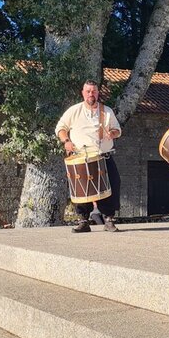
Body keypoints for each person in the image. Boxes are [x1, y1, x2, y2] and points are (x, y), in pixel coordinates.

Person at [55, 80, 123, 233]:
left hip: (103, 156)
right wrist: (66, 141)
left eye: (93, 91)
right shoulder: (74, 110)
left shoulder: (107, 111)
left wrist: (112, 133)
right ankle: (83, 221)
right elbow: (60, 128)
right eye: (88, 91)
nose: (91, 94)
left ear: (98, 93)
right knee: (81, 188)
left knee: (113, 183)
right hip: (80, 157)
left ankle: (108, 220)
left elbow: (118, 130)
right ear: (83, 93)